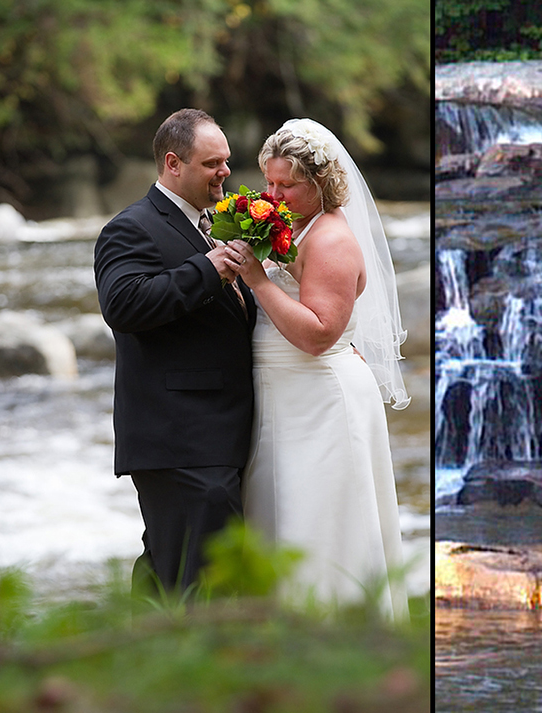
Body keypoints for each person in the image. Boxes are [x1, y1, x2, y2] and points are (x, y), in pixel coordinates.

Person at [230, 118, 409, 617]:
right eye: (269, 181)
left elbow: (316, 335)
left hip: (321, 402)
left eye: (286, 184)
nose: (273, 193)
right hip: (283, 399)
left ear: (320, 183)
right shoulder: (293, 225)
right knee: (279, 520)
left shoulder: (331, 240)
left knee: (320, 526)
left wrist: (256, 279)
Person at [94, 108, 257, 597]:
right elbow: (122, 305)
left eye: (226, 162)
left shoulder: (216, 223)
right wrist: (206, 269)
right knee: (200, 582)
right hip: (178, 437)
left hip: (216, 433)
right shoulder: (131, 228)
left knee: (168, 569)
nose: (225, 173)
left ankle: (141, 665)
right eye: (212, 164)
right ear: (173, 163)